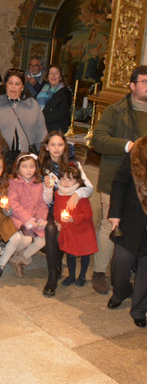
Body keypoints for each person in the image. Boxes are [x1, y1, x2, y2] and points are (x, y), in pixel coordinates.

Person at [91, 65, 147, 295]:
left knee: (136, 226)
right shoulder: (115, 111)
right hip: (117, 179)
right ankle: (99, 271)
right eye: (144, 82)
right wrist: (127, 146)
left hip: (143, 185)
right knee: (109, 225)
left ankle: (127, 269)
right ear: (132, 85)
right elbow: (98, 140)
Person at [40, 131, 93, 297]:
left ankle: (58, 268)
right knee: (51, 230)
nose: (56, 148)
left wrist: (78, 194)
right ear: (47, 147)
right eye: (53, 145)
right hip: (51, 207)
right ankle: (52, 275)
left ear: (65, 147)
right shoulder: (43, 166)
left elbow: (89, 187)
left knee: (64, 229)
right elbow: (47, 200)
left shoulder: (74, 164)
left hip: (70, 208)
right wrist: (48, 187)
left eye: (60, 144)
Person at [107, 136, 147, 328]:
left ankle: (139, 309)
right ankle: (121, 292)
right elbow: (120, 182)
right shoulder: (139, 148)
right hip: (131, 218)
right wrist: (115, 213)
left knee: (145, 272)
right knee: (120, 263)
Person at [0, 69, 48, 158]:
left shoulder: (32, 104)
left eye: (17, 84)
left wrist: (43, 152)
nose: (13, 87)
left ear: (22, 86)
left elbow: (41, 131)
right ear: (6, 85)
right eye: (10, 83)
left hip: (25, 156)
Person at [53, 164, 98, 287]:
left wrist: (73, 218)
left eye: (70, 179)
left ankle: (82, 275)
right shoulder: (59, 193)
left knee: (84, 253)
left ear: (77, 181)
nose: (66, 182)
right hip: (69, 230)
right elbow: (56, 209)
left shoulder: (80, 195)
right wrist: (58, 221)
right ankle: (71, 275)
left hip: (83, 230)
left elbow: (88, 213)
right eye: (63, 179)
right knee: (70, 254)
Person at [7, 153, 48, 276]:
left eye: (32, 166)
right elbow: (14, 204)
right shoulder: (13, 183)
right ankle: (11, 253)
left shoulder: (39, 183)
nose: (29, 170)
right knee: (25, 240)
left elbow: (42, 203)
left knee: (42, 240)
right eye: (25, 166)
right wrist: (27, 218)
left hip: (34, 218)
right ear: (18, 168)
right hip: (19, 218)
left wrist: (41, 218)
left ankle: (19, 259)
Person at [36, 64, 72, 133]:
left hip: (56, 130)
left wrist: (41, 119)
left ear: (61, 77)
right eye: (51, 73)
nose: (53, 76)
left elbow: (61, 114)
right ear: (47, 76)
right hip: (41, 127)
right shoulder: (43, 90)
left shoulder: (65, 92)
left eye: (56, 73)